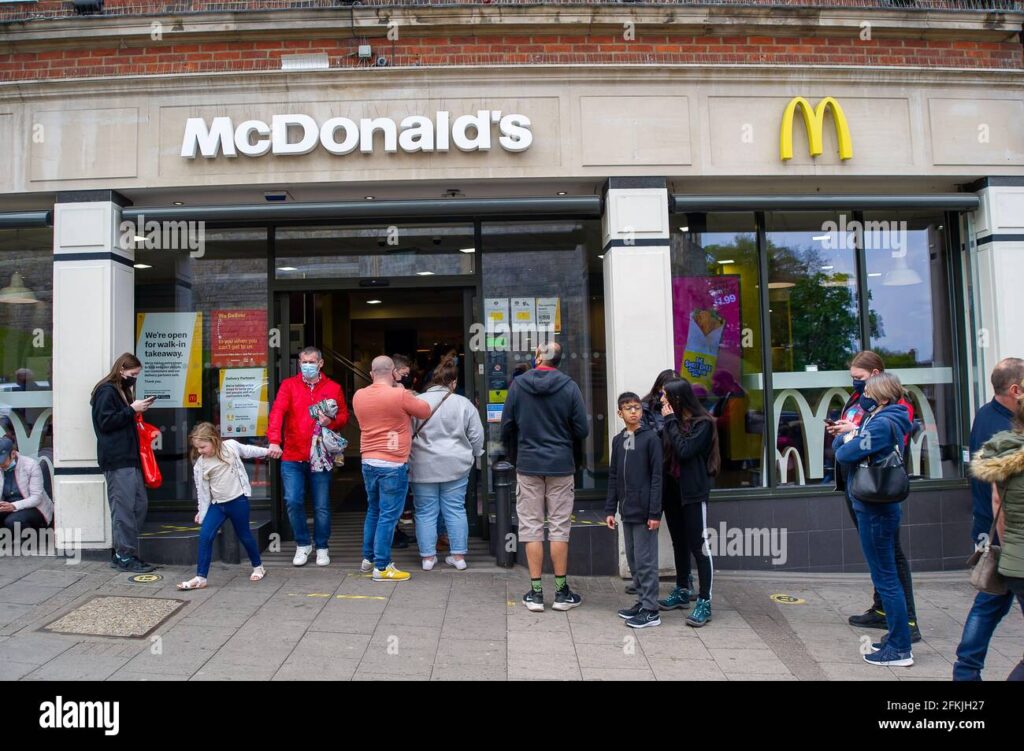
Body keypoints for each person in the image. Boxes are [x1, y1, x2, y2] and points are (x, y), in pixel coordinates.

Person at [827, 350, 920, 641]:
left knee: (890, 556)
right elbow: (864, 432)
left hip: (878, 486)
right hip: (858, 482)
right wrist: (850, 430)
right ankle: (883, 611)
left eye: (860, 379)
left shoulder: (896, 406)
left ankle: (907, 623)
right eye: (853, 378)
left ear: (876, 376)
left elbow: (881, 440)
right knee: (880, 559)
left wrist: (848, 437)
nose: (856, 384)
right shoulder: (862, 400)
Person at [500, 342, 589, 612]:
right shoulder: (570, 387)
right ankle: (561, 592)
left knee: (531, 528)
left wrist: (518, 449)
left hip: (528, 465)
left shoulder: (518, 385)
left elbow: (506, 426)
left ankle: (536, 593)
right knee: (560, 527)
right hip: (561, 465)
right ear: (559, 360)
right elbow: (582, 429)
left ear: (538, 357)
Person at [954, 358, 1024, 680]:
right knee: (988, 604)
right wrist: (1005, 540)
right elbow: (1000, 496)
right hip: (1002, 534)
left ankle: (965, 671)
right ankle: (966, 671)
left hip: (993, 530)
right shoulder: (1005, 431)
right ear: (1015, 389)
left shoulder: (986, 413)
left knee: (989, 602)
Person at [353, 355, 432, 582]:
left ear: (371, 374)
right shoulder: (400, 395)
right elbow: (425, 411)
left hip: (368, 460)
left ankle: (368, 559)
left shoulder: (359, 396)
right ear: (394, 373)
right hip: (393, 463)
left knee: (374, 511)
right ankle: (382, 565)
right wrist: (401, 388)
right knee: (388, 516)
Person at [267, 346, 348, 567]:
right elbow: (277, 412)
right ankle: (303, 544)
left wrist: (331, 422)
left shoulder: (333, 387)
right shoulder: (289, 385)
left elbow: (343, 415)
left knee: (321, 505)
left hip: (320, 456)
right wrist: (274, 439)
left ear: (320, 363)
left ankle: (322, 546)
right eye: (304, 361)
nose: (307, 365)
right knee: (293, 501)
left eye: (312, 361)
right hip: (293, 455)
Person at [409, 356, 484, 571]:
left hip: (423, 465)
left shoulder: (418, 402)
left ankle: (428, 558)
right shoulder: (463, 403)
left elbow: (407, 433)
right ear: (452, 383)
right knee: (455, 509)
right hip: (456, 465)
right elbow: (477, 435)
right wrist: (476, 454)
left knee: (425, 511)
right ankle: (458, 557)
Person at [176, 423, 271, 590]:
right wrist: (201, 511)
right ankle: (201, 577)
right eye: (197, 448)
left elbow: (248, 450)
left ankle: (258, 567)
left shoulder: (231, 447)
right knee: (205, 536)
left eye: (203, 447)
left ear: (214, 440)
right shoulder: (201, 465)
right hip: (218, 505)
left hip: (238, 501)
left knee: (244, 535)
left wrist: (268, 451)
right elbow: (202, 491)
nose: (200, 451)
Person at [90, 353, 157, 573]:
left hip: (128, 458)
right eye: (133, 374)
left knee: (138, 505)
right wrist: (132, 410)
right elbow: (106, 422)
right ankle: (124, 555)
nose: (135, 378)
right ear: (121, 370)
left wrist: (133, 410)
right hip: (118, 459)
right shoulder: (106, 391)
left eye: (137, 374)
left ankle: (125, 551)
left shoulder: (118, 391)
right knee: (124, 509)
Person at [661, 378, 720, 627]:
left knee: (699, 545)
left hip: (693, 492)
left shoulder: (703, 424)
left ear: (677, 399)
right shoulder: (672, 422)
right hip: (672, 491)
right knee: (679, 541)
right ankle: (682, 588)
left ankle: (704, 600)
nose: (661, 400)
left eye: (665, 396)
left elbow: (685, 450)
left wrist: (670, 422)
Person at [605, 392, 663, 629]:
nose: (633, 412)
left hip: (644, 512)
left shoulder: (651, 439)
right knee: (633, 559)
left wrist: (654, 513)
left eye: (637, 408)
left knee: (646, 560)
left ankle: (651, 610)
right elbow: (614, 476)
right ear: (620, 413)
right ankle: (642, 601)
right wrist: (610, 508)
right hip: (626, 510)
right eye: (628, 408)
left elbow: (658, 478)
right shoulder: (619, 441)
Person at [0, 436, 53, 533]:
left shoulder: (31, 465)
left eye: (2, 461)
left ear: (13, 454)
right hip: (7, 505)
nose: (1, 465)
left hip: (34, 507)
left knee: (13, 521)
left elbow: (36, 498)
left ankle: (34, 536)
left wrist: (13, 506)